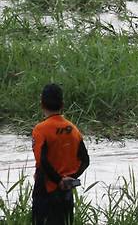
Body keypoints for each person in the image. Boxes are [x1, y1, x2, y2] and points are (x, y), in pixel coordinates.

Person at [32, 83, 90, 225]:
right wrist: (70, 179)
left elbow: (42, 161)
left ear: (41, 104)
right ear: (62, 105)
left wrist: (58, 180)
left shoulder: (40, 130)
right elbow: (85, 160)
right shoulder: (73, 129)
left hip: (46, 190)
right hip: (66, 192)